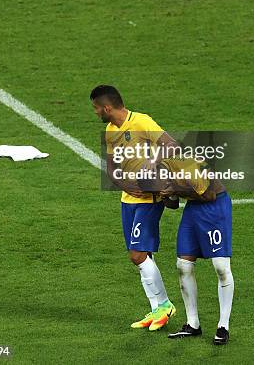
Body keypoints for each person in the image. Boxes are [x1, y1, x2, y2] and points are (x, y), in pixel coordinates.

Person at [90, 84, 177, 331]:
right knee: (142, 257)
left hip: (150, 200)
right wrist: (126, 185)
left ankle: (166, 305)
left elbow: (170, 145)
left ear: (107, 107)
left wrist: (153, 168)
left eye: (96, 108)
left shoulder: (141, 121)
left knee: (137, 255)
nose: (96, 113)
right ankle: (156, 310)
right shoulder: (110, 131)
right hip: (128, 200)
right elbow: (111, 168)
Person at [155, 156, 234, 345]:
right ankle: (193, 324)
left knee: (221, 266)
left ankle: (223, 327)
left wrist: (175, 189)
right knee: (183, 265)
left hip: (214, 207)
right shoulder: (160, 171)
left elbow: (209, 195)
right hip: (193, 210)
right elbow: (173, 204)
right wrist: (165, 195)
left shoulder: (189, 166)